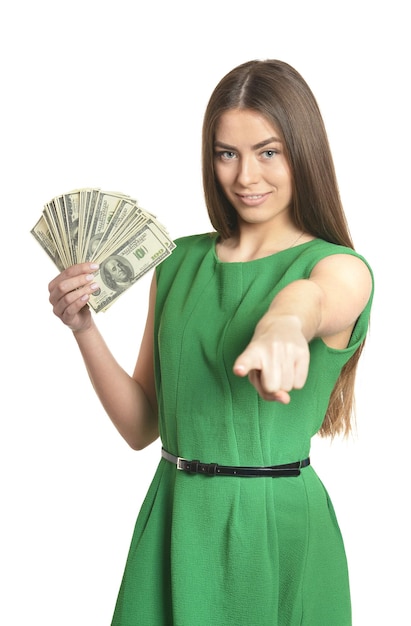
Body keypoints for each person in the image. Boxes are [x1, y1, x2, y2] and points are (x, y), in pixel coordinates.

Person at [48, 59, 374, 626]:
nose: (246, 176)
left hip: (273, 530)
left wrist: (284, 324)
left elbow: (313, 299)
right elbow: (140, 427)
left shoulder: (339, 267)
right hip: (175, 519)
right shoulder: (176, 263)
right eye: (228, 153)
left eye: (268, 152)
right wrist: (84, 329)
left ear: (305, 152)